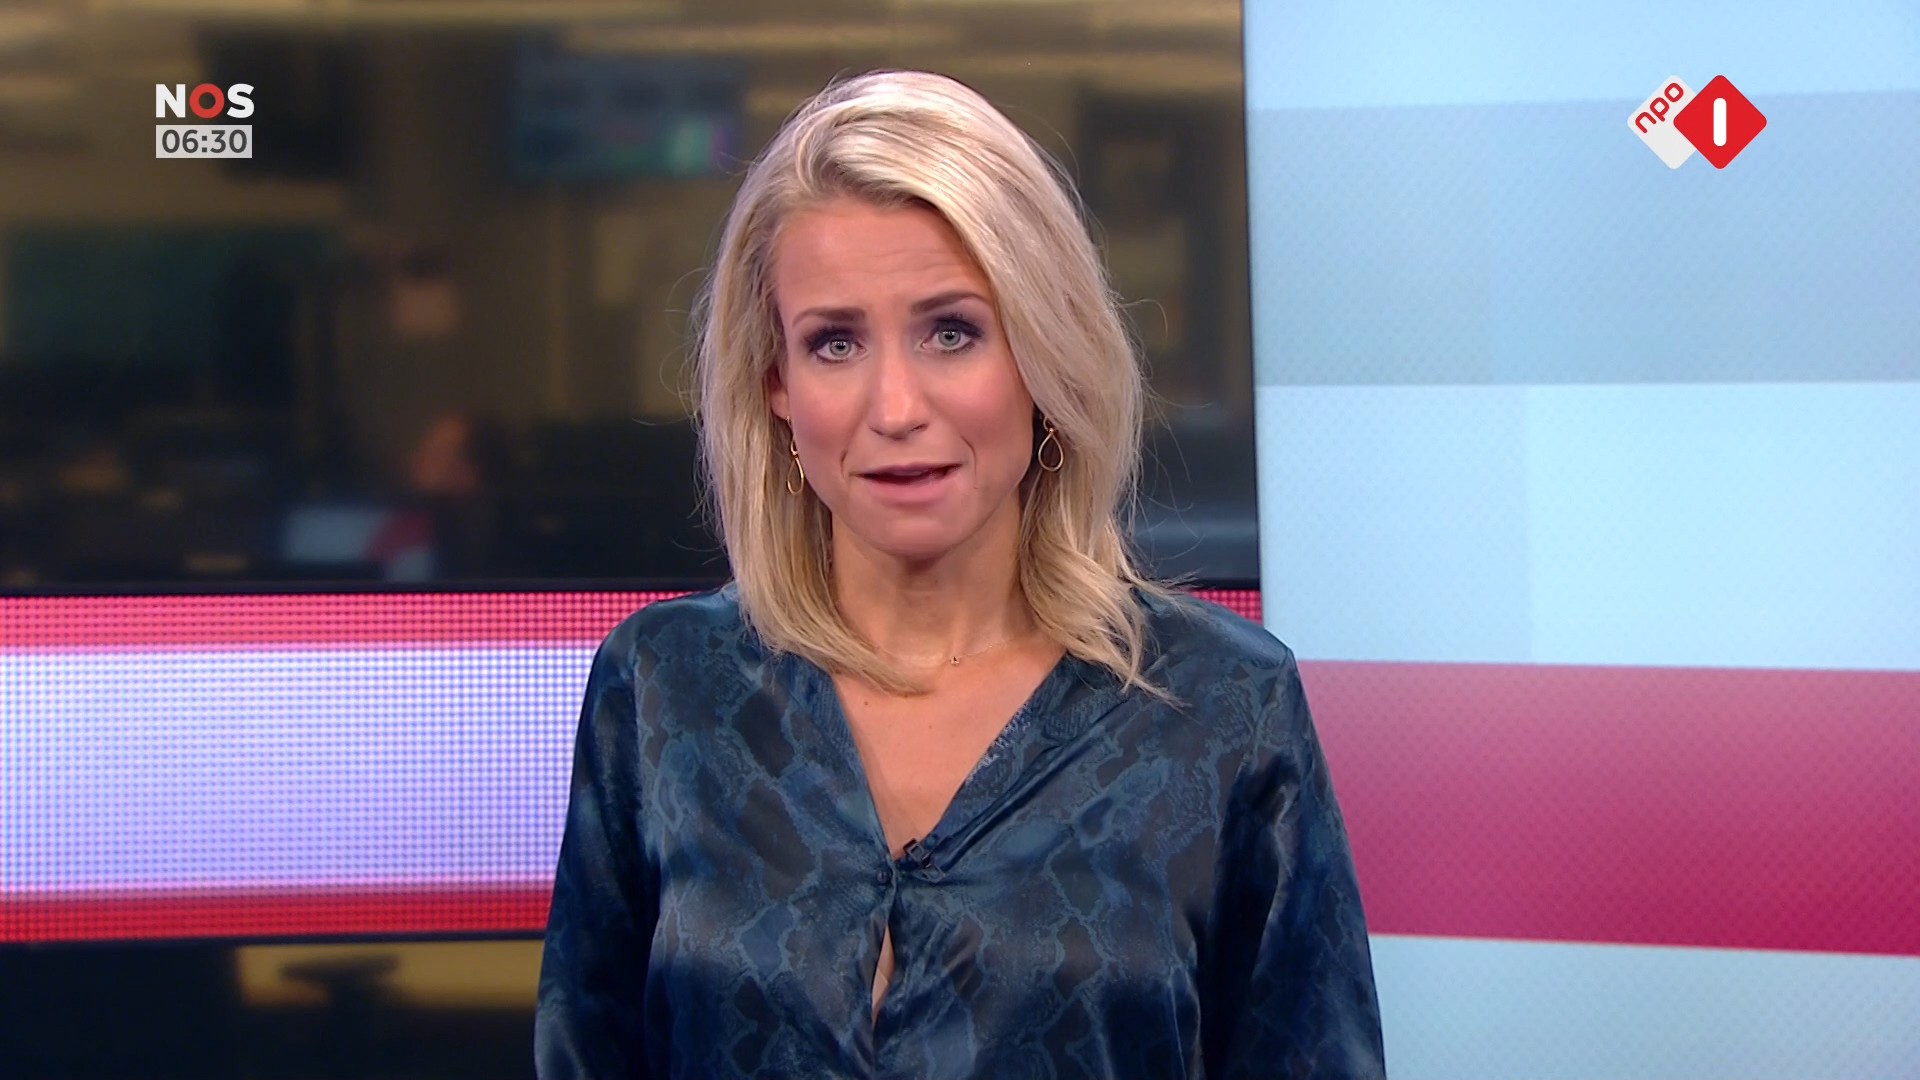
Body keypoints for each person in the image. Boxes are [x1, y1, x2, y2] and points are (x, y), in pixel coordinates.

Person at [534, 70, 1384, 1079]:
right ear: (776, 385)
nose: (896, 407)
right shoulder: (664, 686)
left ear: (1043, 355)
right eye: (835, 342)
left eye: (952, 332)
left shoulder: (1225, 703)